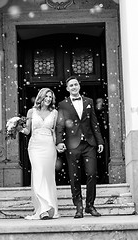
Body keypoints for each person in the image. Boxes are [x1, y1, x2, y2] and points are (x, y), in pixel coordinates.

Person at [56, 76, 104, 218]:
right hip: (72, 145)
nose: (74, 87)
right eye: (71, 85)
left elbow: (94, 123)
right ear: (67, 88)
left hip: (89, 144)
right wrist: (59, 141)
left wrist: (100, 141)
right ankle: (78, 207)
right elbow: (60, 125)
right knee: (74, 176)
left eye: (75, 84)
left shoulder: (88, 101)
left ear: (79, 86)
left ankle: (90, 205)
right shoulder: (63, 104)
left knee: (91, 174)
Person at [20, 88, 59, 220]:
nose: (48, 99)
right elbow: (27, 131)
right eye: (46, 96)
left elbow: (55, 131)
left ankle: (50, 207)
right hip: (35, 146)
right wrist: (16, 126)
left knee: (48, 176)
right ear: (41, 97)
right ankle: (42, 209)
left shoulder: (54, 112)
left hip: (49, 146)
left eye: (50, 97)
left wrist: (58, 144)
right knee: (38, 173)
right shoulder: (31, 111)